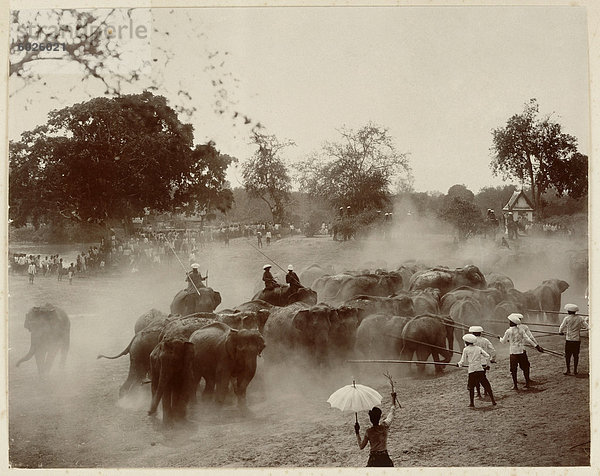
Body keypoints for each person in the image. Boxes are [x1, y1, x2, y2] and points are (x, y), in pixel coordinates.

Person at [499, 313, 544, 390]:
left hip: (513, 353)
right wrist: (536, 346)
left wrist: (499, 338)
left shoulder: (508, 331)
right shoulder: (521, 330)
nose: (509, 322)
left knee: (513, 369)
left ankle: (515, 386)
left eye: (510, 321)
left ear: (512, 323)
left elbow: (503, 341)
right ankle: (527, 383)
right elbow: (528, 339)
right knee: (525, 367)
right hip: (521, 351)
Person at [355, 393, 398, 467]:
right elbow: (392, 412)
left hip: (374, 459)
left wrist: (357, 432)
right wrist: (393, 398)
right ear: (379, 416)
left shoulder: (369, 432)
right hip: (384, 457)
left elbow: (361, 446)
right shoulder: (385, 426)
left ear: (370, 419)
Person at [457, 334, 497, 407]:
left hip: (472, 370)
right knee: (486, 385)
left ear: (467, 342)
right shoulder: (478, 348)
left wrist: (459, 364)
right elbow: (487, 356)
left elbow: (462, 361)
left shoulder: (466, 349)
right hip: (480, 369)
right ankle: (493, 401)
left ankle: (472, 403)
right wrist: (487, 365)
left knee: (471, 387)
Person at [559, 303, 589, 375]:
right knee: (576, 355)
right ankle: (575, 370)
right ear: (575, 311)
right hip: (577, 340)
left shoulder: (567, 318)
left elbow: (561, 327)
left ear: (568, 311)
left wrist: (560, 332)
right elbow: (587, 326)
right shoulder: (580, 318)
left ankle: (568, 370)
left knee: (568, 355)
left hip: (569, 339)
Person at [469, 325, 496, 398]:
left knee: (475, 378)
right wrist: (492, 359)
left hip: (474, 363)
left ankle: (478, 393)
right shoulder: (485, 340)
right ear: (480, 333)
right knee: (483, 377)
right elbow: (492, 350)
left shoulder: (470, 342)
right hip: (484, 362)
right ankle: (485, 391)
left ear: (473, 334)